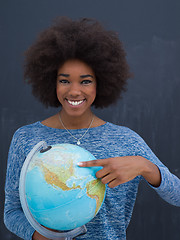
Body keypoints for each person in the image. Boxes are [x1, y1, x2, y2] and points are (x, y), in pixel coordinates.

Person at [4, 17, 180, 240]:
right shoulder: (26, 138)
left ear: (101, 82)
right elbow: (11, 212)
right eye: (65, 80)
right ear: (51, 82)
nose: (75, 91)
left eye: (86, 81)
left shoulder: (126, 140)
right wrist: (39, 236)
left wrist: (145, 166)